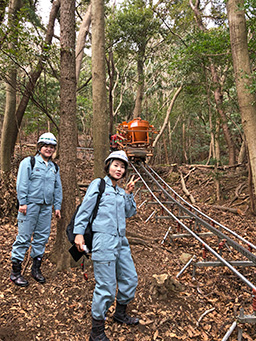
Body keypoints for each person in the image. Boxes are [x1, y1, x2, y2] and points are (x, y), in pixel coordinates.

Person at [74, 150, 140, 341]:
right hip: (103, 242)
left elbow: (129, 213)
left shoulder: (120, 191)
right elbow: (85, 208)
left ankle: (120, 313)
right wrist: (79, 233)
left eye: (122, 167)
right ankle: (96, 332)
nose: (119, 169)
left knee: (130, 279)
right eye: (116, 165)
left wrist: (128, 194)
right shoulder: (99, 184)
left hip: (121, 242)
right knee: (106, 287)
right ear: (108, 166)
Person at [10, 132, 62, 287]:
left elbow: (57, 188)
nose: (48, 149)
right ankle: (15, 272)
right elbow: (22, 183)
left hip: (46, 207)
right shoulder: (29, 162)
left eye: (51, 147)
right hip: (30, 206)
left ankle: (35, 269)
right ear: (40, 147)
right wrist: (22, 202)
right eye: (46, 146)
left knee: (42, 237)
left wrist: (57, 206)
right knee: (24, 237)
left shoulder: (54, 167)